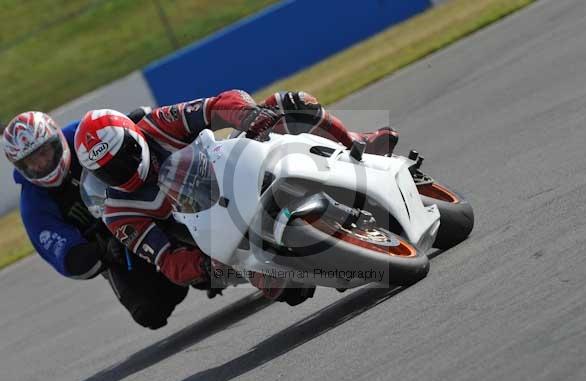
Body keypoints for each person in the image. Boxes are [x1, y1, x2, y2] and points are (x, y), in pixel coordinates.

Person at [73, 90, 400, 299]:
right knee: (287, 289)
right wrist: (207, 266)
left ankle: (356, 144)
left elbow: (216, 105)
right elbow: (169, 262)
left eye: (124, 157)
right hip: (217, 238)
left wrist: (248, 115)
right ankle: (326, 261)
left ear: (133, 137)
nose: (122, 171)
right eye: (109, 172)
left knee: (290, 103)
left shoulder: (156, 123)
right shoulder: (117, 213)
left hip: (229, 171)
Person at [2, 110, 189, 329]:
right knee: (150, 312)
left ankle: (217, 258)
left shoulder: (83, 134)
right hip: (115, 248)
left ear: (57, 139)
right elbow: (67, 257)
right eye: (30, 162)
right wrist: (102, 251)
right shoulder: (33, 206)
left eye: (43, 152)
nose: (41, 164)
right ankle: (187, 276)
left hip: (148, 202)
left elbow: (133, 124)